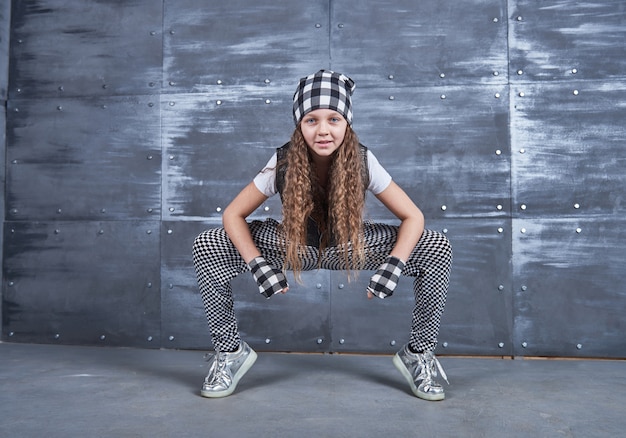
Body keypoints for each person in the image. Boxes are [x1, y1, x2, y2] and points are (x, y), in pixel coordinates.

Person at [192, 70, 452, 401]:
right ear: (300, 125)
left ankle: (418, 353)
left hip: (350, 246)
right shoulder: (283, 160)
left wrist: (394, 266)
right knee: (208, 244)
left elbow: (413, 215)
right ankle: (229, 353)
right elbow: (233, 213)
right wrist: (257, 264)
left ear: (347, 123)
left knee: (436, 247)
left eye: (334, 119)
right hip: (291, 247)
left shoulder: (363, 159)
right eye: (312, 120)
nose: (324, 130)